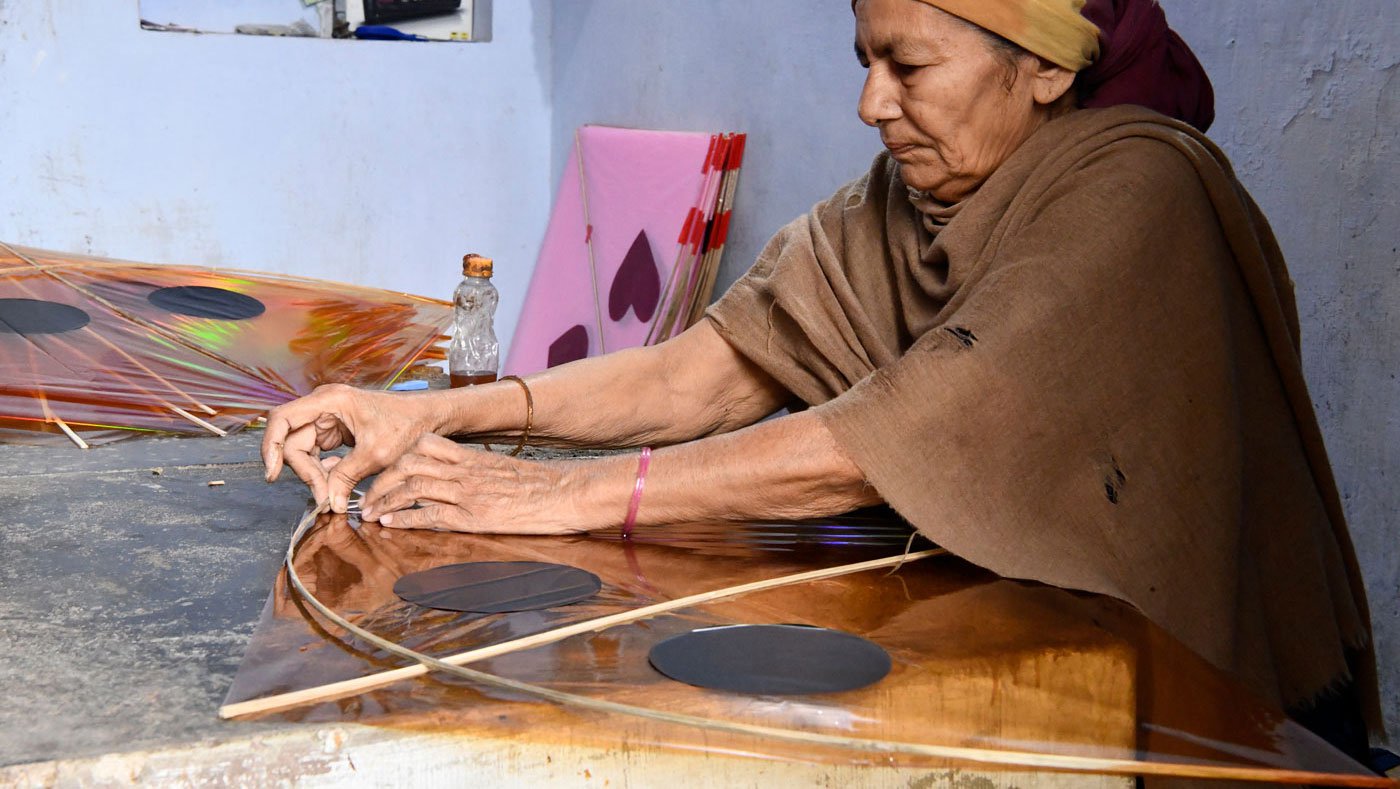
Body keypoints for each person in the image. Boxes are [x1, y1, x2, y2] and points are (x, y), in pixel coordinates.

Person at [263, 0, 1381, 766]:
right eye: (863, 60)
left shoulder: (1138, 187)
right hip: (1022, 659)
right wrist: (435, 411)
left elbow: (878, 440)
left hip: (1202, 695)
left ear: (1043, 66)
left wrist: (549, 498)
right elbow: (701, 372)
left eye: (908, 67)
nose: (870, 105)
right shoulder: (898, 203)